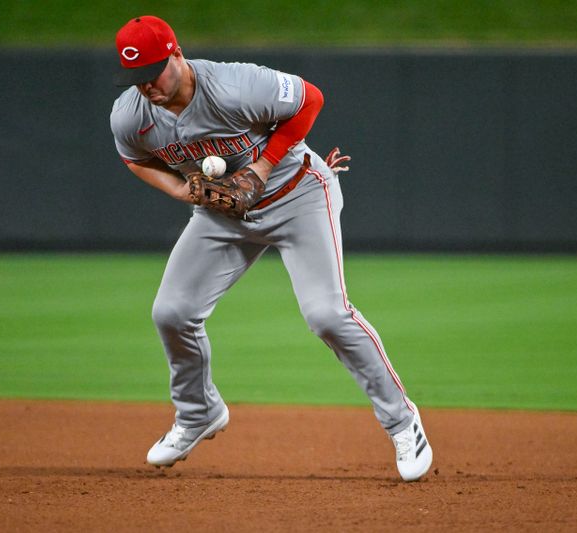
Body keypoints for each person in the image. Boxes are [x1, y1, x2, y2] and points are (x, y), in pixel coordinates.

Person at [109, 15, 433, 482]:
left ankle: (404, 423)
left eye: (153, 73)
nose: (146, 87)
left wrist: (259, 169)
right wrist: (180, 191)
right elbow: (134, 158)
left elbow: (310, 99)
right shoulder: (131, 115)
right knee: (172, 312)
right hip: (224, 217)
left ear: (176, 54)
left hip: (297, 194)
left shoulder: (235, 85)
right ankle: (198, 413)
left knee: (326, 314)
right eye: (135, 79)